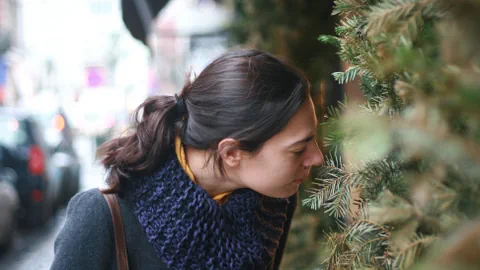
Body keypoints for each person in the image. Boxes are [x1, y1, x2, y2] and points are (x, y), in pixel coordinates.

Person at [50, 49, 324, 270]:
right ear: (231, 153)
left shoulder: (272, 204)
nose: (317, 157)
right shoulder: (102, 217)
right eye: (299, 150)